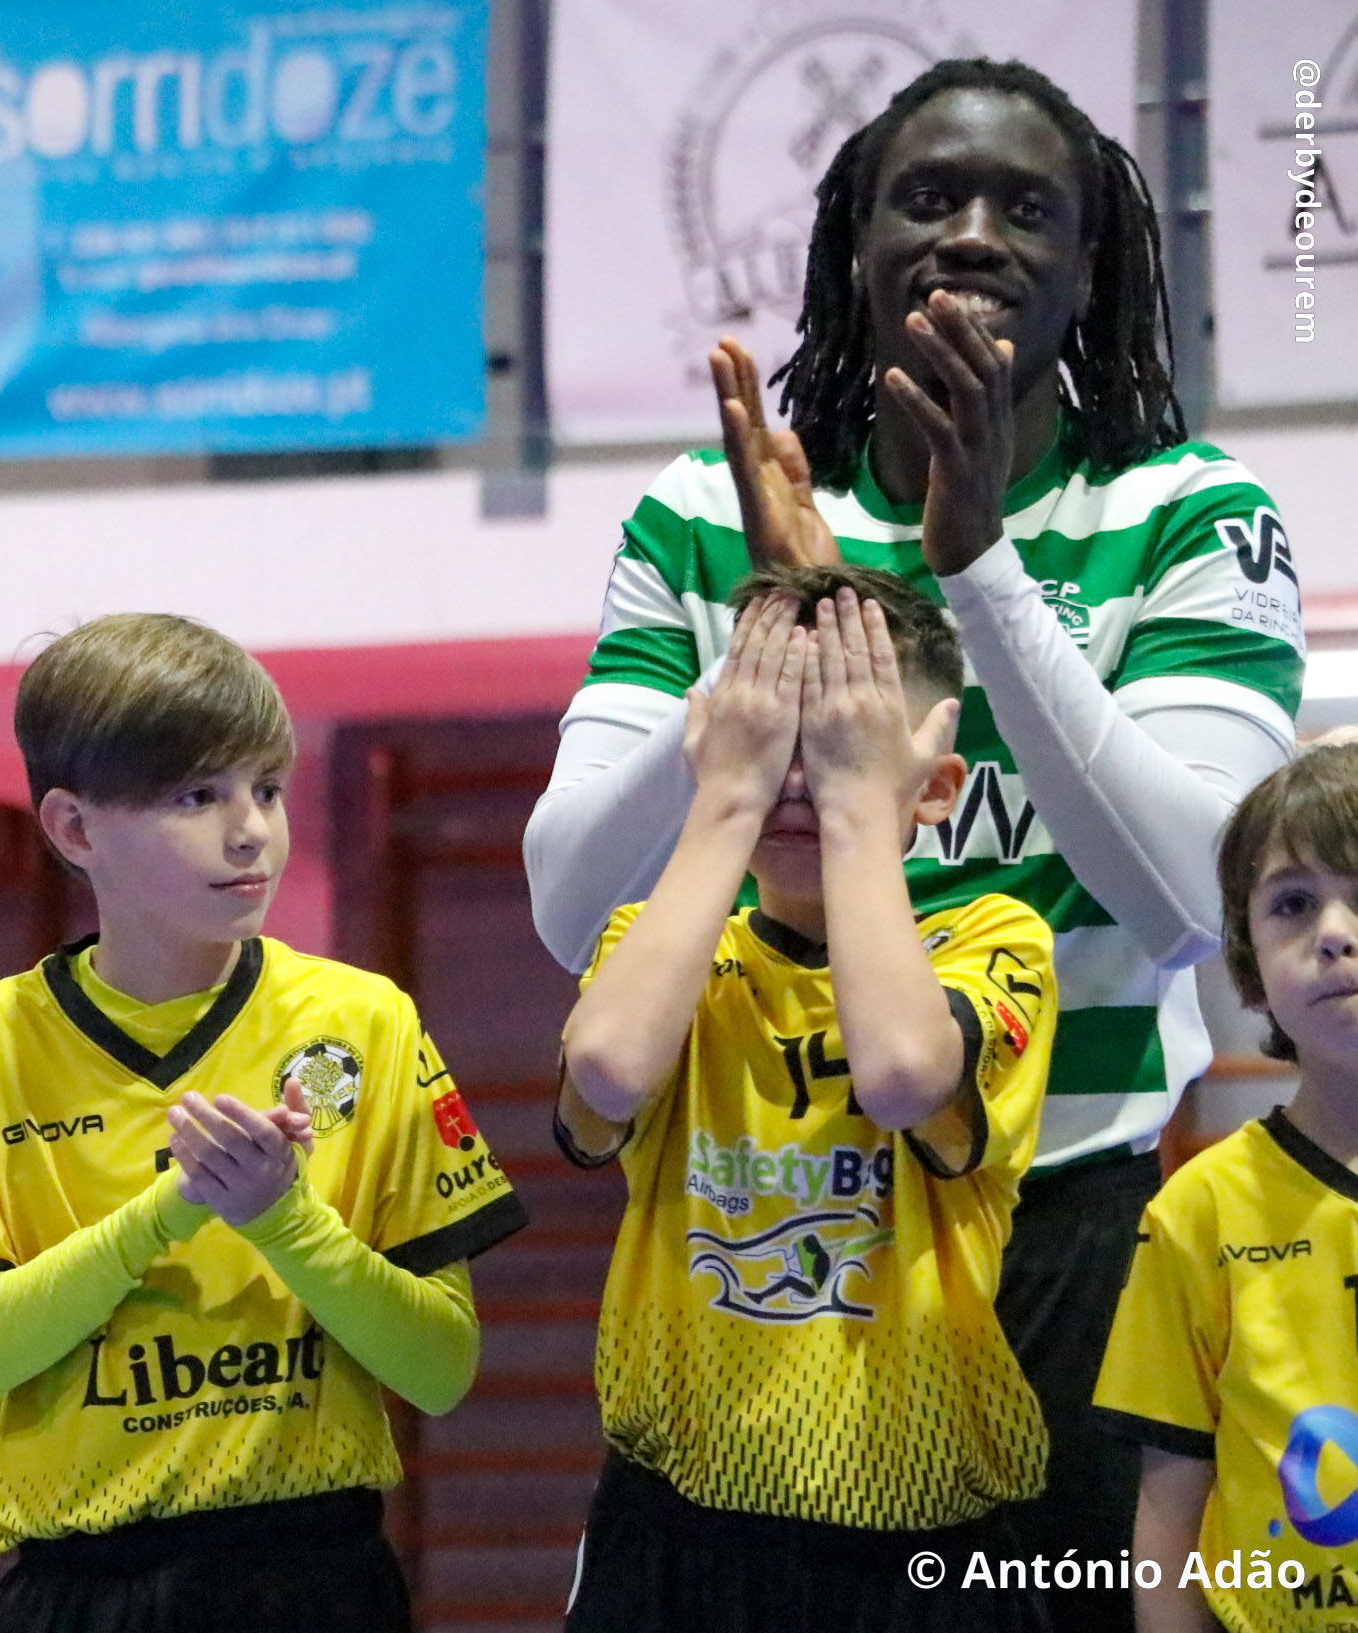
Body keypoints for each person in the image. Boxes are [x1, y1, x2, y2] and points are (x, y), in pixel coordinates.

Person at [524, 58, 1304, 1628]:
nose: (969, 235)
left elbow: (1195, 912)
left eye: (1027, 210)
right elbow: (569, 905)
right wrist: (777, 622)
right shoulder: (712, 504)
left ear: (1092, 271)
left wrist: (981, 571)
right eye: (923, 198)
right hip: (748, 1238)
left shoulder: (1185, 507)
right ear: (849, 245)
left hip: (1056, 1245)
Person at [0, 612, 528, 1632]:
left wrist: (282, 1220)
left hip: (314, 1578)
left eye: (264, 789)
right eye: (197, 795)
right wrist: (166, 1212)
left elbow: (439, 1369)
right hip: (78, 1590)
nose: (251, 830)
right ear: (72, 827)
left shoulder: (361, 1020)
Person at [556, 567, 1056, 1631]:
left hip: (917, 1552)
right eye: (768, 742)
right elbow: (602, 1075)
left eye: (836, 745)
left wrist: (855, 815)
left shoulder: (993, 944)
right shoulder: (659, 949)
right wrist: (721, 799)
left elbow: (901, 1076)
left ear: (931, 784)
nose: (798, 778)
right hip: (674, 1533)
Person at [1096, 745, 1358, 1631]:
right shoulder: (1199, 1212)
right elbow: (1170, 1520)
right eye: (1293, 902)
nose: (1335, 931)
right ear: (1249, 959)